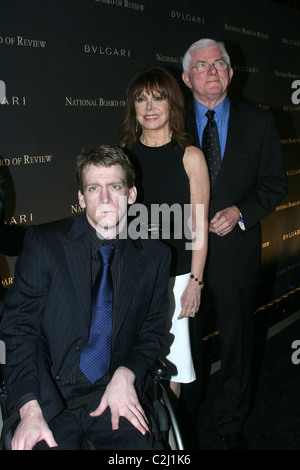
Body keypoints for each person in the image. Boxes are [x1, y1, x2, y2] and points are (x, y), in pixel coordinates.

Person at [0, 145, 171, 450]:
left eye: (114, 187)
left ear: (131, 195)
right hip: (48, 397)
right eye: (94, 188)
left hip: (113, 393)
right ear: (81, 198)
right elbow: (19, 331)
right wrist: (29, 409)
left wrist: (127, 373)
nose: (105, 198)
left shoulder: (155, 256)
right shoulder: (44, 245)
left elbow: (153, 331)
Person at [182, 38, 288, 449]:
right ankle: (183, 420)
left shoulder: (259, 122)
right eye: (203, 65)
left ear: (231, 72)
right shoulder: (171, 124)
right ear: (187, 76)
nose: (212, 70)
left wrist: (240, 212)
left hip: (237, 253)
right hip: (185, 256)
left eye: (220, 63)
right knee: (185, 345)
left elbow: (275, 183)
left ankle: (230, 424)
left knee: (238, 344)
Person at [119, 67, 210, 402]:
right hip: (133, 275)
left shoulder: (190, 156)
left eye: (158, 97)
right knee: (132, 359)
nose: (149, 105)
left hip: (177, 276)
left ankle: (170, 444)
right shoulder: (123, 156)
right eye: (141, 99)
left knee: (173, 365)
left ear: (173, 103)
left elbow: (200, 225)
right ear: (133, 108)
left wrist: (195, 282)